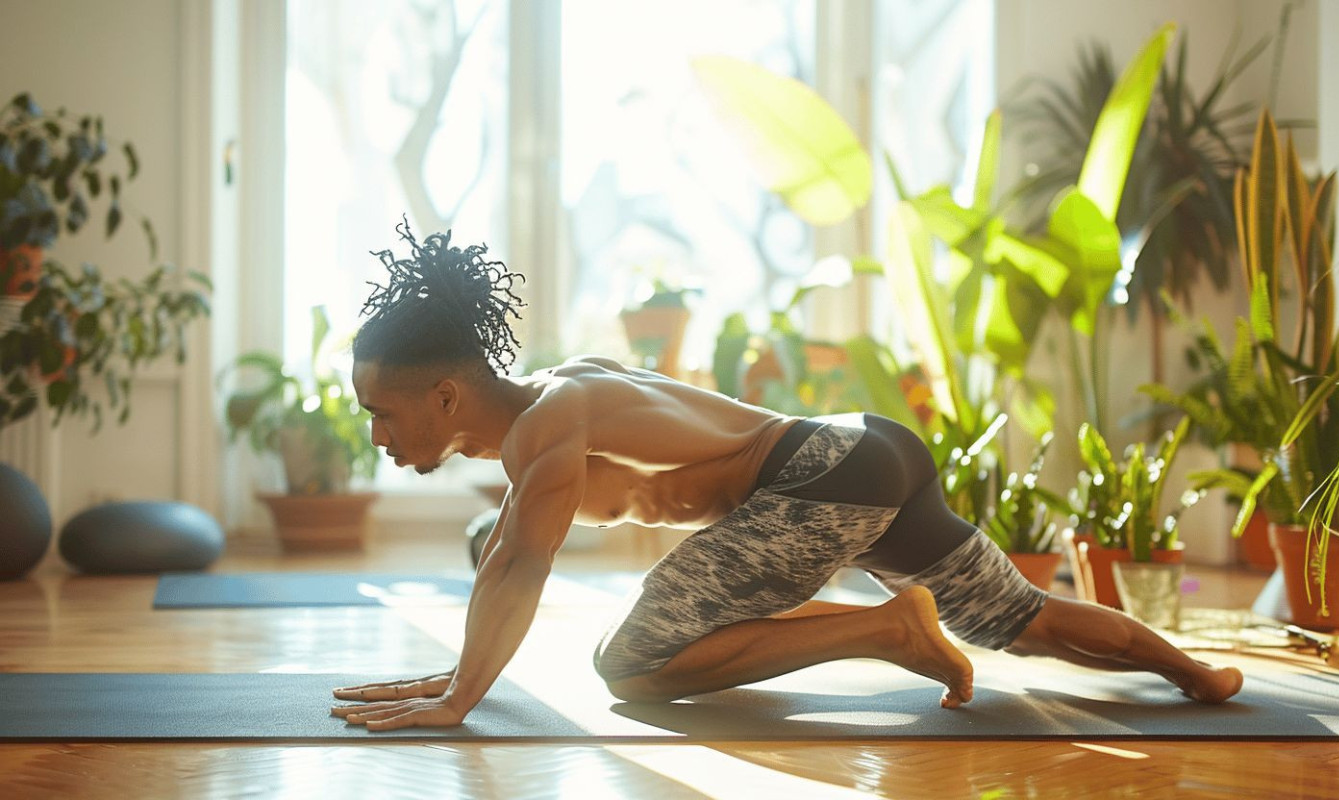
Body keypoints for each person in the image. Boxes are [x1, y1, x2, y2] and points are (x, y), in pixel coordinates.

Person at [331, 224, 1244, 731]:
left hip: (818, 480)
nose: (375, 432)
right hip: (861, 450)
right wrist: (459, 667)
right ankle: (1195, 675)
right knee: (1024, 620)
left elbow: (521, 563)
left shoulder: (546, 428)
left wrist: (457, 694)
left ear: (447, 395)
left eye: (382, 411)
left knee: (629, 664)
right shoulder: (561, 395)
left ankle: (889, 626)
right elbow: (508, 548)